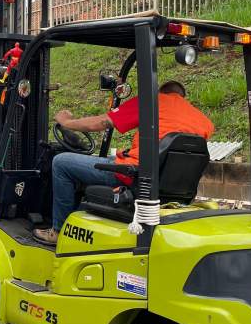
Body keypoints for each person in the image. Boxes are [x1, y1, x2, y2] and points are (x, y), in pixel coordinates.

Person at [34, 80, 214, 245]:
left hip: (134, 177)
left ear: (162, 92)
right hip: (169, 185)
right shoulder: (203, 121)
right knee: (109, 160)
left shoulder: (152, 102)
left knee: (61, 162)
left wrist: (67, 122)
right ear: (182, 97)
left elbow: (102, 122)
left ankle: (58, 231)